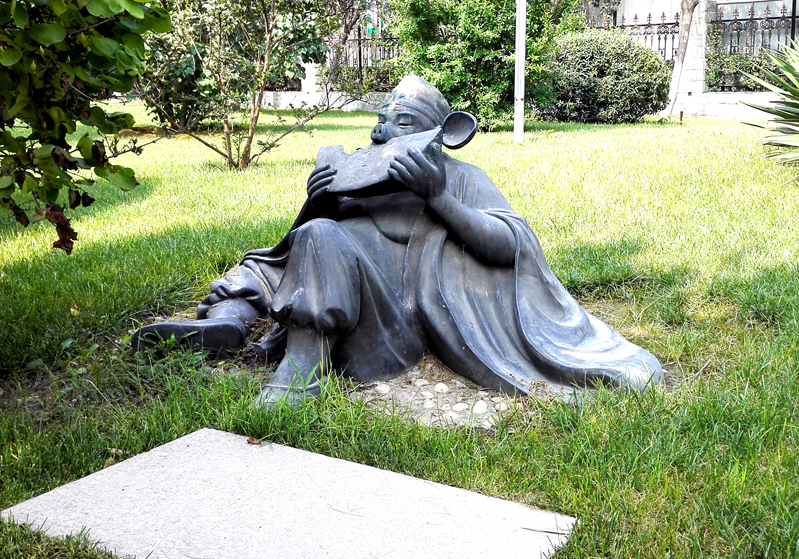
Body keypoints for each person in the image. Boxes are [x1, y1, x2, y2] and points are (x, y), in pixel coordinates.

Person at [132, 76, 662, 406]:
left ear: (438, 136)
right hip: (330, 290)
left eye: (401, 123)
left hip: (388, 330)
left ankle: (301, 374)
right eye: (381, 121)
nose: (382, 132)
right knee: (274, 258)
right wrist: (318, 201)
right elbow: (291, 253)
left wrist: (438, 198)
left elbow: (509, 245)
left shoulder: (459, 178)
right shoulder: (357, 176)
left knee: (319, 237)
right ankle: (227, 323)